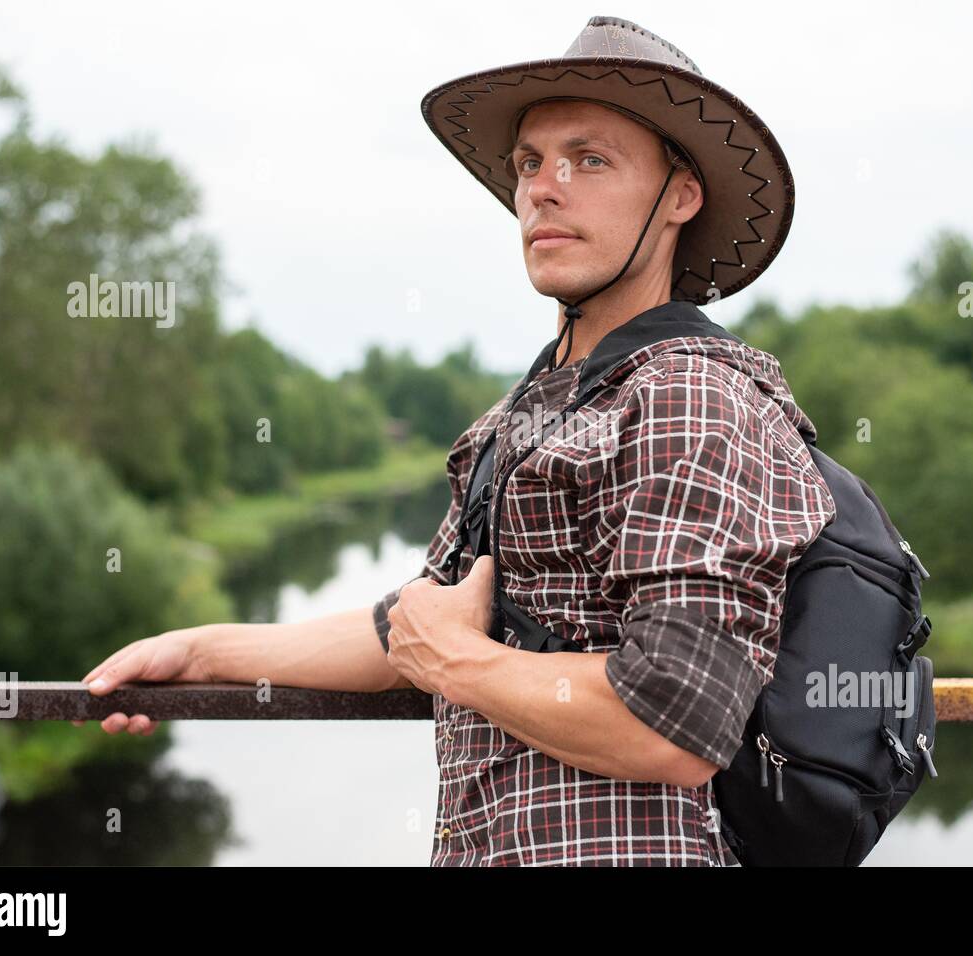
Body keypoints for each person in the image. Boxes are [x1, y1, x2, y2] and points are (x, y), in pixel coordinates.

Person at [78, 15, 836, 867]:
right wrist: (203, 651)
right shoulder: (531, 407)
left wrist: (457, 662)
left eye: (590, 160)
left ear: (681, 196)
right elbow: (411, 627)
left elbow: (675, 722)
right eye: (529, 163)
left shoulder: (688, 394)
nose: (545, 188)